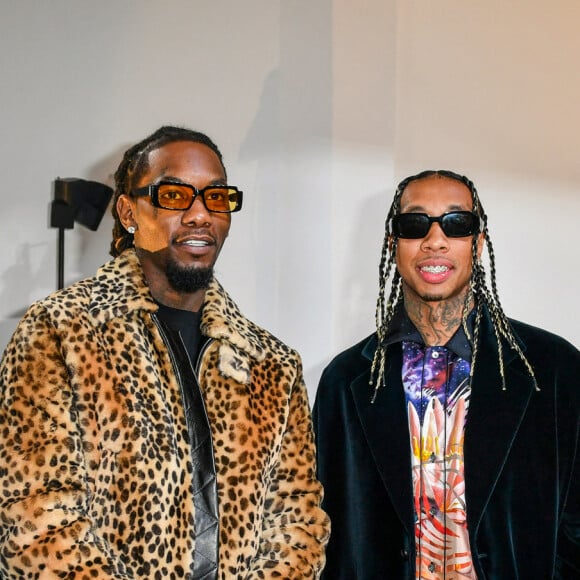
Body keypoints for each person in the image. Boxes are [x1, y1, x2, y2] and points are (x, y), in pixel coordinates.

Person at [0, 125, 329, 579]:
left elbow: (298, 521)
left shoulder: (271, 363)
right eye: (175, 195)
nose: (201, 215)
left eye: (216, 198)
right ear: (129, 211)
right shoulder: (61, 332)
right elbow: (34, 524)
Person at [313, 170, 579, 579]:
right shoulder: (344, 381)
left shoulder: (554, 369)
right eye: (414, 225)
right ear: (393, 244)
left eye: (457, 224)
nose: (434, 240)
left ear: (478, 243)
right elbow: (329, 530)